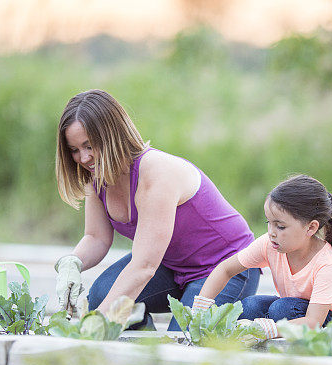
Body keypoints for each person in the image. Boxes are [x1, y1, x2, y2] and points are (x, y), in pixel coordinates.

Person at [54, 89, 260, 330]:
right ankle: (140, 352)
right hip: (173, 265)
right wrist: (72, 262)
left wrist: (97, 322)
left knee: (184, 339)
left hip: (224, 266)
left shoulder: (155, 173)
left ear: (112, 135)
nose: (84, 157)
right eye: (74, 150)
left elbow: (144, 267)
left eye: (89, 145)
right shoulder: (97, 177)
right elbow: (96, 237)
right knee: (103, 296)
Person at [193, 174, 332, 339]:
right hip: (295, 310)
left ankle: (275, 332)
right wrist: (200, 307)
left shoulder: (327, 262)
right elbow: (225, 269)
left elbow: (314, 322)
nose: (271, 233)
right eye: (269, 223)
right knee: (248, 306)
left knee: (281, 310)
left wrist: (269, 329)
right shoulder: (270, 244)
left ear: (310, 228)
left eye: (280, 226)